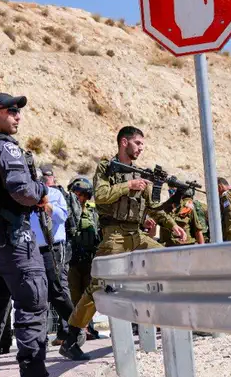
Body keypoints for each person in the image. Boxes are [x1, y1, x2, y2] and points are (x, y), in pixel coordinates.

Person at [0, 93, 78, 377]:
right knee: (32, 310)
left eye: (18, 111)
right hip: (14, 243)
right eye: (11, 110)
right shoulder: (6, 148)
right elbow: (23, 191)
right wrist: (43, 190)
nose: (17, 116)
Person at [65, 126, 183, 335]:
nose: (141, 148)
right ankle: (73, 334)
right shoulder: (106, 167)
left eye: (143, 144)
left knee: (169, 261)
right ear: (124, 142)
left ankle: (173, 319)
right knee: (99, 284)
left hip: (137, 235)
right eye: (138, 143)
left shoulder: (140, 174)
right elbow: (101, 195)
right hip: (114, 236)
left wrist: (172, 225)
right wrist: (129, 186)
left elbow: (153, 208)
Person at [33, 164, 87, 361]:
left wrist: (46, 205)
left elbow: (62, 216)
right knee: (36, 295)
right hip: (31, 249)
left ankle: (75, 330)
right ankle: (38, 344)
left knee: (57, 291)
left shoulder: (55, 194)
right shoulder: (25, 197)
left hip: (53, 249)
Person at [67, 176, 100, 340]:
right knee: (73, 295)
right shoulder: (66, 208)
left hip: (89, 259)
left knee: (89, 296)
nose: (80, 198)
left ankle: (88, 328)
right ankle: (74, 330)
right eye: (77, 194)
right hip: (71, 260)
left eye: (83, 194)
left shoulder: (93, 211)